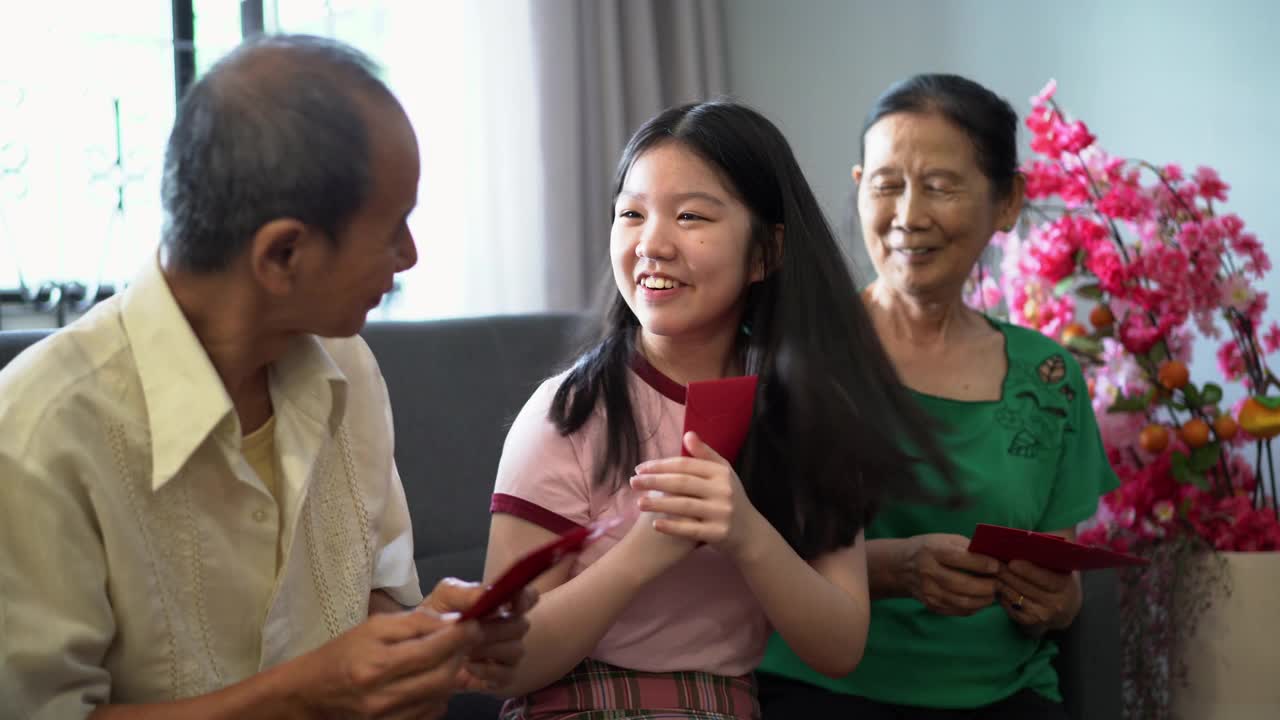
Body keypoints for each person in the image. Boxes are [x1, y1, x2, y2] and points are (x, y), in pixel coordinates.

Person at [0, 35, 532, 719]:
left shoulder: (350, 370)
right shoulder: (40, 435)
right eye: (393, 228)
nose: (411, 256)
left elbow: (373, 603)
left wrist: (427, 650)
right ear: (282, 254)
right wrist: (298, 698)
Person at [482, 100, 954, 719]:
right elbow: (501, 661)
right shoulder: (570, 412)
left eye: (690, 216)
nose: (652, 243)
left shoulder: (805, 413)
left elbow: (839, 645)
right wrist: (640, 556)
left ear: (765, 253)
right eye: (632, 214)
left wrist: (747, 534)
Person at [756, 74, 1119, 719]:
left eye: (941, 186)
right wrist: (894, 568)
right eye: (887, 184)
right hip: (822, 691)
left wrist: (1054, 599)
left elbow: (1061, 580)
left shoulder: (1048, 375)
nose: (908, 216)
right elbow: (741, 553)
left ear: (1007, 202)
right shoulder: (796, 349)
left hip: (1007, 696)